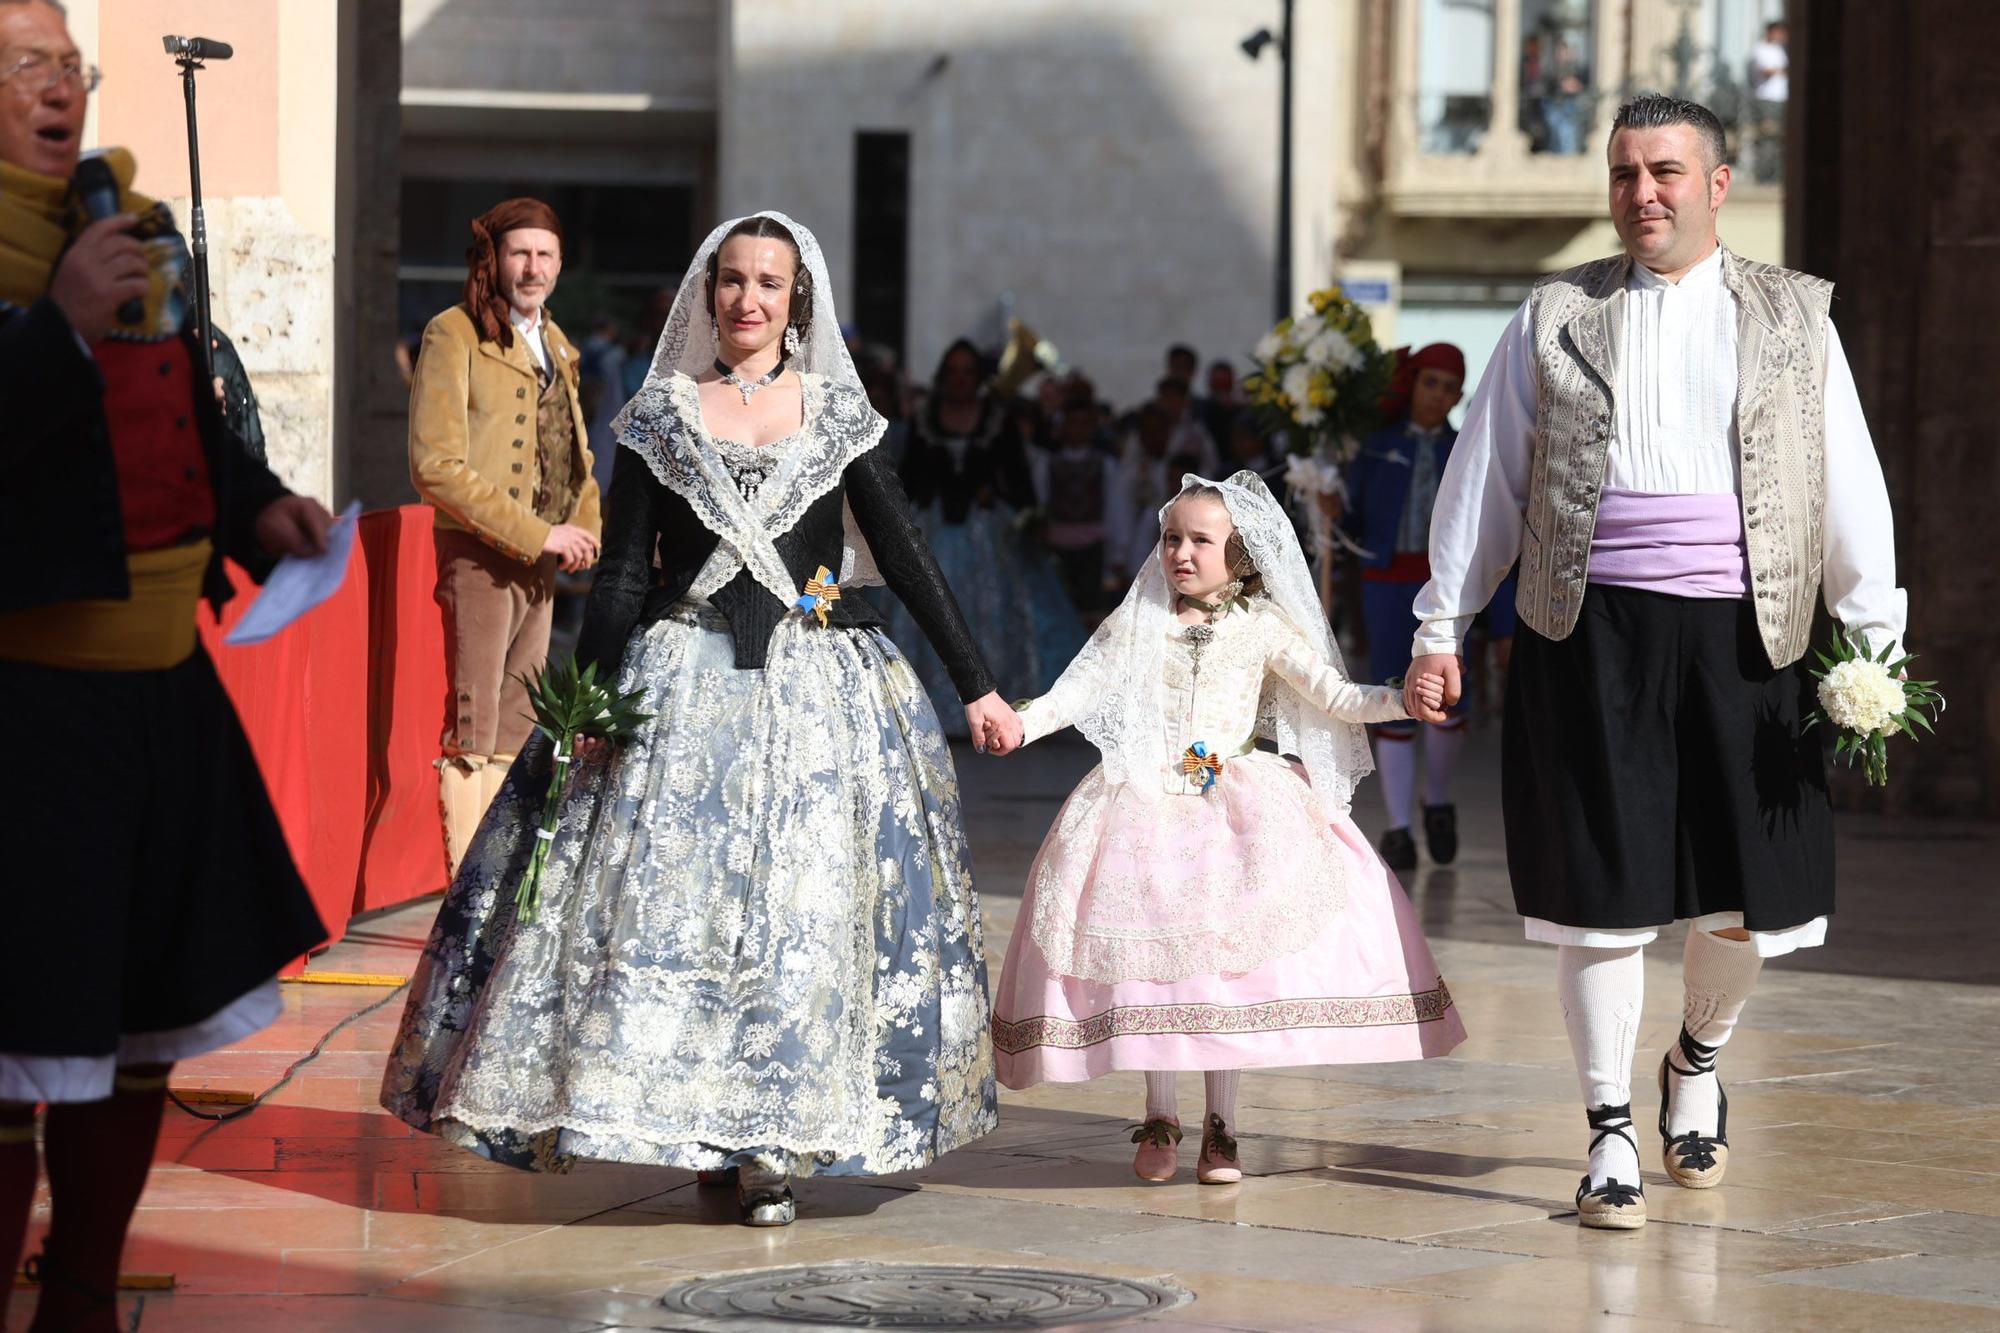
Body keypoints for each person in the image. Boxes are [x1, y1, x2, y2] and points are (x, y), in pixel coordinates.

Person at [382, 211, 1021, 1228]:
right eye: (731, 280)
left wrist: (978, 685)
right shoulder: (662, 413)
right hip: (682, 688)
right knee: (680, 909)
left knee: (792, 913)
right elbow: (628, 571)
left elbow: (900, 551)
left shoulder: (835, 415)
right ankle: (704, 1126)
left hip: (813, 695)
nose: (748, 300)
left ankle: (771, 1139)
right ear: (707, 290)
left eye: (769, 283)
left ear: (794, 300)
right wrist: (590, 700)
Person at [1404, 96, 1907, 1230]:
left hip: (1749, 636)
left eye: (1666, 172)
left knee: (1745, 899)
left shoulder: (1793, 317)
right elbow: (1483, 479)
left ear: (1717, 183)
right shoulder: (1552, 313)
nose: (1643, 194)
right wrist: (1439, 626)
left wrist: (1871, 644)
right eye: (1625, 173)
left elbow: (1847, 484)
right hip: (1589, 634)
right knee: (1599, 898)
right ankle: (1607, 1133)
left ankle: (1695, 1057)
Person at [0, 2, 332, 1324]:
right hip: (28, 700)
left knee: (139, 1028)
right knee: (24, 1041)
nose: (60, 91)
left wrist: (261, 507)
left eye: (71, 68)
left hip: (164, 688)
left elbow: (190, 414)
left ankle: (83, 1292)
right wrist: (58, 330)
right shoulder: (61, 271)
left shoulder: (137, 236)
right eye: (29, 68)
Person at [989, 473, 1466, 1183]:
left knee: (1220, 975)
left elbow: (1333, 696)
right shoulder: (1139, 618)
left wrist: (1402, 697)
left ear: (1238, 555)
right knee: (1151, 971)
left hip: (1232, 813)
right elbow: (1078, 687)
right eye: (1171, 538)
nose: (1180, 552)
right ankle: (1159, 1110)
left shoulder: (1262, 625)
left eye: (1200, 541)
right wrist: (1022, 722)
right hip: (1142, 804)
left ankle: (1224, 1122)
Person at [407, 198, 602, 876]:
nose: (533, 267)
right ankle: (465, 884)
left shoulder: (559, 343)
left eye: (545, 254)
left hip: (538, 568)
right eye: (521, 252)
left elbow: (577, 460)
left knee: (521, 729)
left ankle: (503, 883)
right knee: (476, 729)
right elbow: (435, 464)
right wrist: (539, 532)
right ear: (494, 260)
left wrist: (588, 535)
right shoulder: (453, 333)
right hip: (480, 559)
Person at [879, 337, 1085, 734]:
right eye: (953, 372)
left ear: (978, 378)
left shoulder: (997, 418)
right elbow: (908, 475)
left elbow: (1018, 474)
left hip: (989, 532)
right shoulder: (926, 416)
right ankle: (929, 708)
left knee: (997, 613)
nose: (960, 380)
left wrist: (1027, 514)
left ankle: (999, 707)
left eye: (967, 372)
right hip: (935, 529)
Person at [1342, 343, 1479, 873]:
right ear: (1412, 383)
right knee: (1392, 695)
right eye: (1430, 383)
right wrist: (1330, 502)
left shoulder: (1466, 447)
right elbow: (1351, 520)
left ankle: (1437, 800)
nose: (1438, 395)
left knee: (1449, 701)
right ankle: (1398, 827)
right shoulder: (1375, 447)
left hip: (1446, 592)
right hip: (1384, 584)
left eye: (1449, 388)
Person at [1747, 20, 1789, 185]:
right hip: (1767, 100)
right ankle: (1764, 174)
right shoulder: (1760, 49)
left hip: (1781, 98)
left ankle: (1775, 174)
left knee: (1780, 137)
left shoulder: (1780, 50)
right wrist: (1781, 70)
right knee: (1768, 135)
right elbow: (1766, 71)